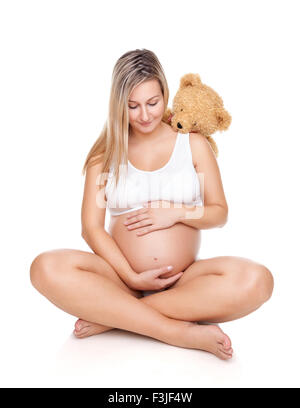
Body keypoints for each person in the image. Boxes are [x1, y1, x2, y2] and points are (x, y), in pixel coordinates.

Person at [30, 49, 274, 360]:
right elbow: (91, 229)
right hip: (118, 280)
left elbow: (219, 213)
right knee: (45, 268)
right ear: (119, 105)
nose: (144, 115)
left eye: (152, 103)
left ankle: (113, 318)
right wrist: (131, 277)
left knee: (258, 280)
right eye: (132, 106)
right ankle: (175, 331)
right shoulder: (104, 154)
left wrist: (176, 213)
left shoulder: (193, 145)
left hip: (185, 281)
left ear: (165, 93)